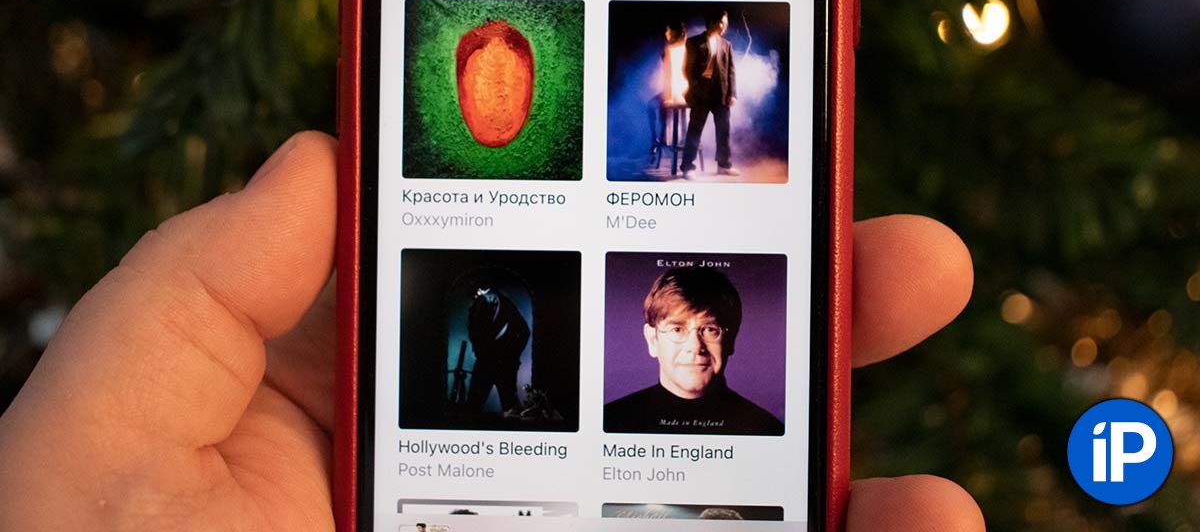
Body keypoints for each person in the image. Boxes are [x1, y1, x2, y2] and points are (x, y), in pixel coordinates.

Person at [0, 132, 985, 530]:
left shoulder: (762, 439)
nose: (700, 346)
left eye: (715, 330)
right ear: (647, 336)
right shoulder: (601, 404)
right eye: (682, 327)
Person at [603, 267, 783, 435]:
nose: (695, 346)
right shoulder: (609, 422)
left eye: (710, 329)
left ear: (731, 340)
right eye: (677, 329)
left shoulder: (767, 429)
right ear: (652, 340)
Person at [681, 8, 737, 178]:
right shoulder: (693, 42)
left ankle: (724, 165)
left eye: (726, 23)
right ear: (714, 22)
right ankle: (688, 167)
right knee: (695, 131)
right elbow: (687, 69)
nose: (725, 27)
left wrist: (732, 94)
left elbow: (731, 71)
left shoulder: (726, 44)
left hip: (721, 94)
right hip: (700, 95)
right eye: (723, 23)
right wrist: (696, 86)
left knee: (724, 131)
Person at [465, 286, 530, 415]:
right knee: (510, 408)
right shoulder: (504, 301)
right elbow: (525, 331)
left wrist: (481, 351)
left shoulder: (483, 300)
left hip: (487, 361)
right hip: (505, 363)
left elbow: (477, 333)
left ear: (479, 289)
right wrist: (512, 356)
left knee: (473, 408)